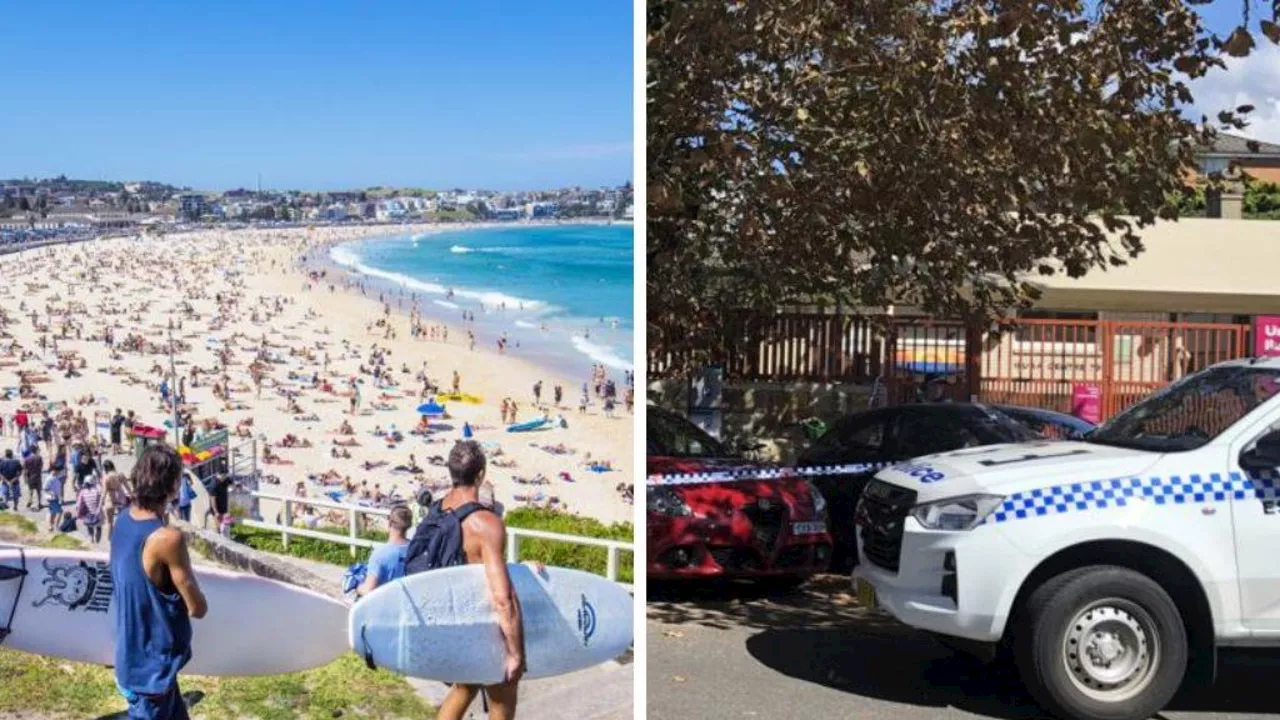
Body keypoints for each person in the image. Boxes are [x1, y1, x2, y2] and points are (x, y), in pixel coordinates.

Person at [404, 441, 525, 720]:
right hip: (481, 622)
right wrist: (515, 652)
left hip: (446, 619)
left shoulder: (436, 511)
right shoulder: (485, 523)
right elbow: (502, 598)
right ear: (481, 474)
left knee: (466, 685)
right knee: (503, 694)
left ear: (451, 472)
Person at [111, 444, 207, 719]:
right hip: (152, 666)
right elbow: (197, 608)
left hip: (133, 653)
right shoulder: (167, 538)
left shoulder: (122, 520)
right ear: (174, 485)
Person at [354, 505, 413, 598]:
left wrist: (357, 587)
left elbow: (368, 590)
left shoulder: (381, 553)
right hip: (406, 602)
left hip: (385, 604)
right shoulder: (415, 548)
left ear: (389, 523)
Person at [76, 472, 106, 544]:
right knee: (99, 527)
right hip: (98, 513)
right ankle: (98, 539)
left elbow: (79, 504)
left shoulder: (82, 492)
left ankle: (91, 537)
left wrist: (78, 511)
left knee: (89, 526)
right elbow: (102, 498)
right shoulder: (97, 490)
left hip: (87, 513)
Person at [102, 459, 130, 534]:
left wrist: (101, 502)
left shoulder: (106, 477)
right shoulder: (120, 475)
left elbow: (104, 491)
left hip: (110, 499)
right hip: (121, 498)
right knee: (123, 520)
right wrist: (132, 496)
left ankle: (109, 539)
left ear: (105, 468)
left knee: (109, 523)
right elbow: (128, 488)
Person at [23, 446, 42, 511]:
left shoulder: (26, 459)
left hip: (30, 476)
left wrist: (24, 479)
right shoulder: (39, 457)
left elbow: (25, 470)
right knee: (38, 491)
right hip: (38, 476)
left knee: (30, 490)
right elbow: (41, 466)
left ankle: (30, 501)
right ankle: (39, 503)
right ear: (36, 450)